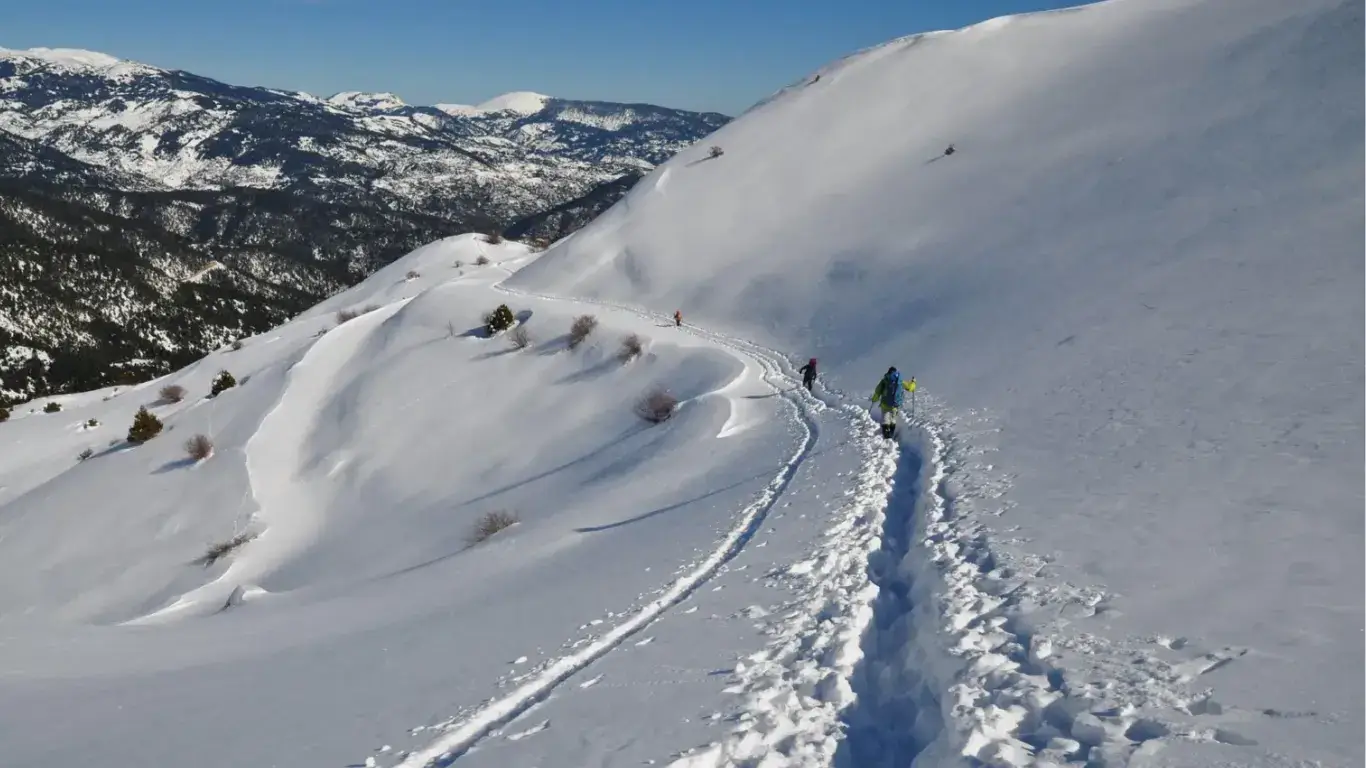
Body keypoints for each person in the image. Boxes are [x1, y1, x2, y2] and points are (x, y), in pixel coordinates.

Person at [870, 366, 916, 439]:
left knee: (885, 418)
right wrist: (913, 382)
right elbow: (910, 388)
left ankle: (886, 434)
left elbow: (877, 391)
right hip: (895, 404)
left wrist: (874, 399)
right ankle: (891, 434)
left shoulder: (885, 380)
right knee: (893, 419)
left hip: (885, 404)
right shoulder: (899, 381)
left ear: (888, 372)